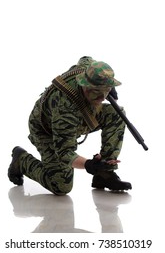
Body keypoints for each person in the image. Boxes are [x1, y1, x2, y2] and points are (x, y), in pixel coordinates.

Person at [8, 56, 132, 196]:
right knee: (61, 186)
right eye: (97, 91)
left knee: (117, 114)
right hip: (47, 130)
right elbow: (64, 152)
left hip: (79, 115)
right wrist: (89, 165)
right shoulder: (65, 107)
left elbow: (85, 58)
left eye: (107, 90)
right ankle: (21, 160)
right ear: (85, 85)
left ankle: (105, 173)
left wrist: (105, 87)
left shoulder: (87, 69)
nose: (103, 97)